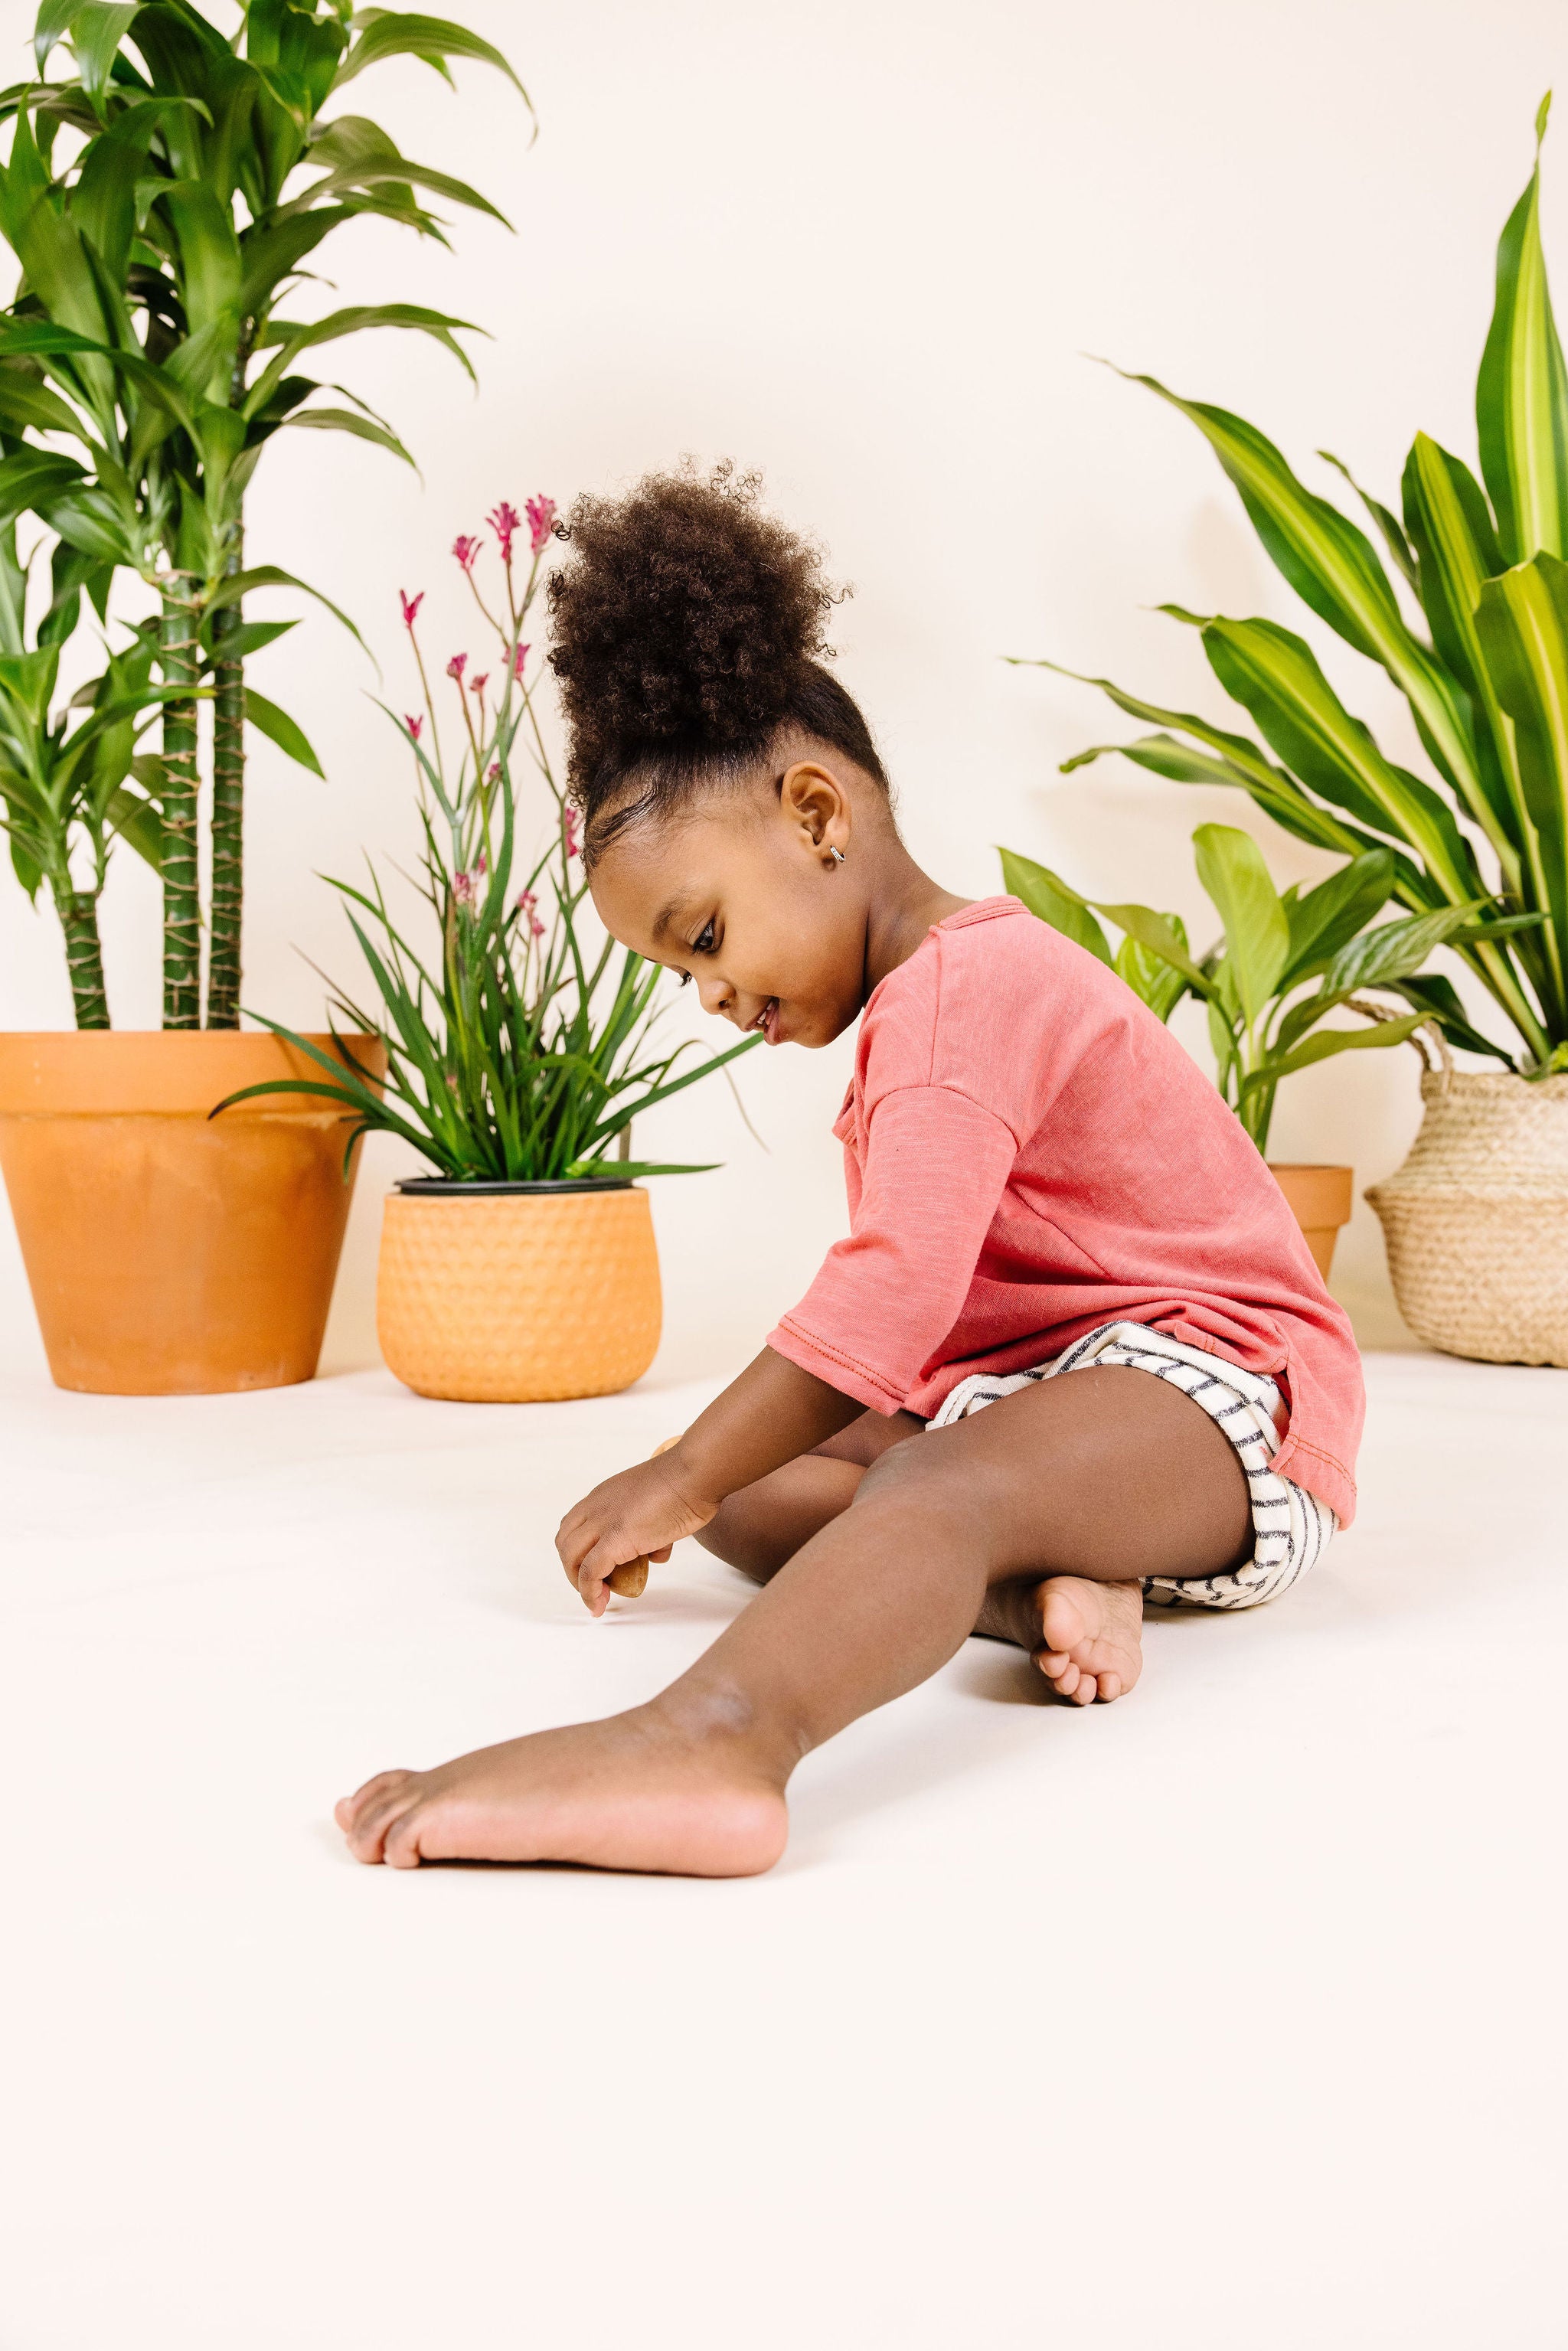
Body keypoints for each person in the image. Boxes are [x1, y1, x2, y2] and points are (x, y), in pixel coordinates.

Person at [336, 465, 1362, 1878]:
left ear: (818, 815)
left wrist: (677, 1466)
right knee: (766, 1505)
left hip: (1221, 1399)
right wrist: (716, 1484)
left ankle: (717, 1739)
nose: (702, 992)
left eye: (701, 936)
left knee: (896, 1489)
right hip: (1045, 1401)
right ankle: (1054, 1578)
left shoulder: (969, 990)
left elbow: (889, 1300)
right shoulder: (919, 1016)